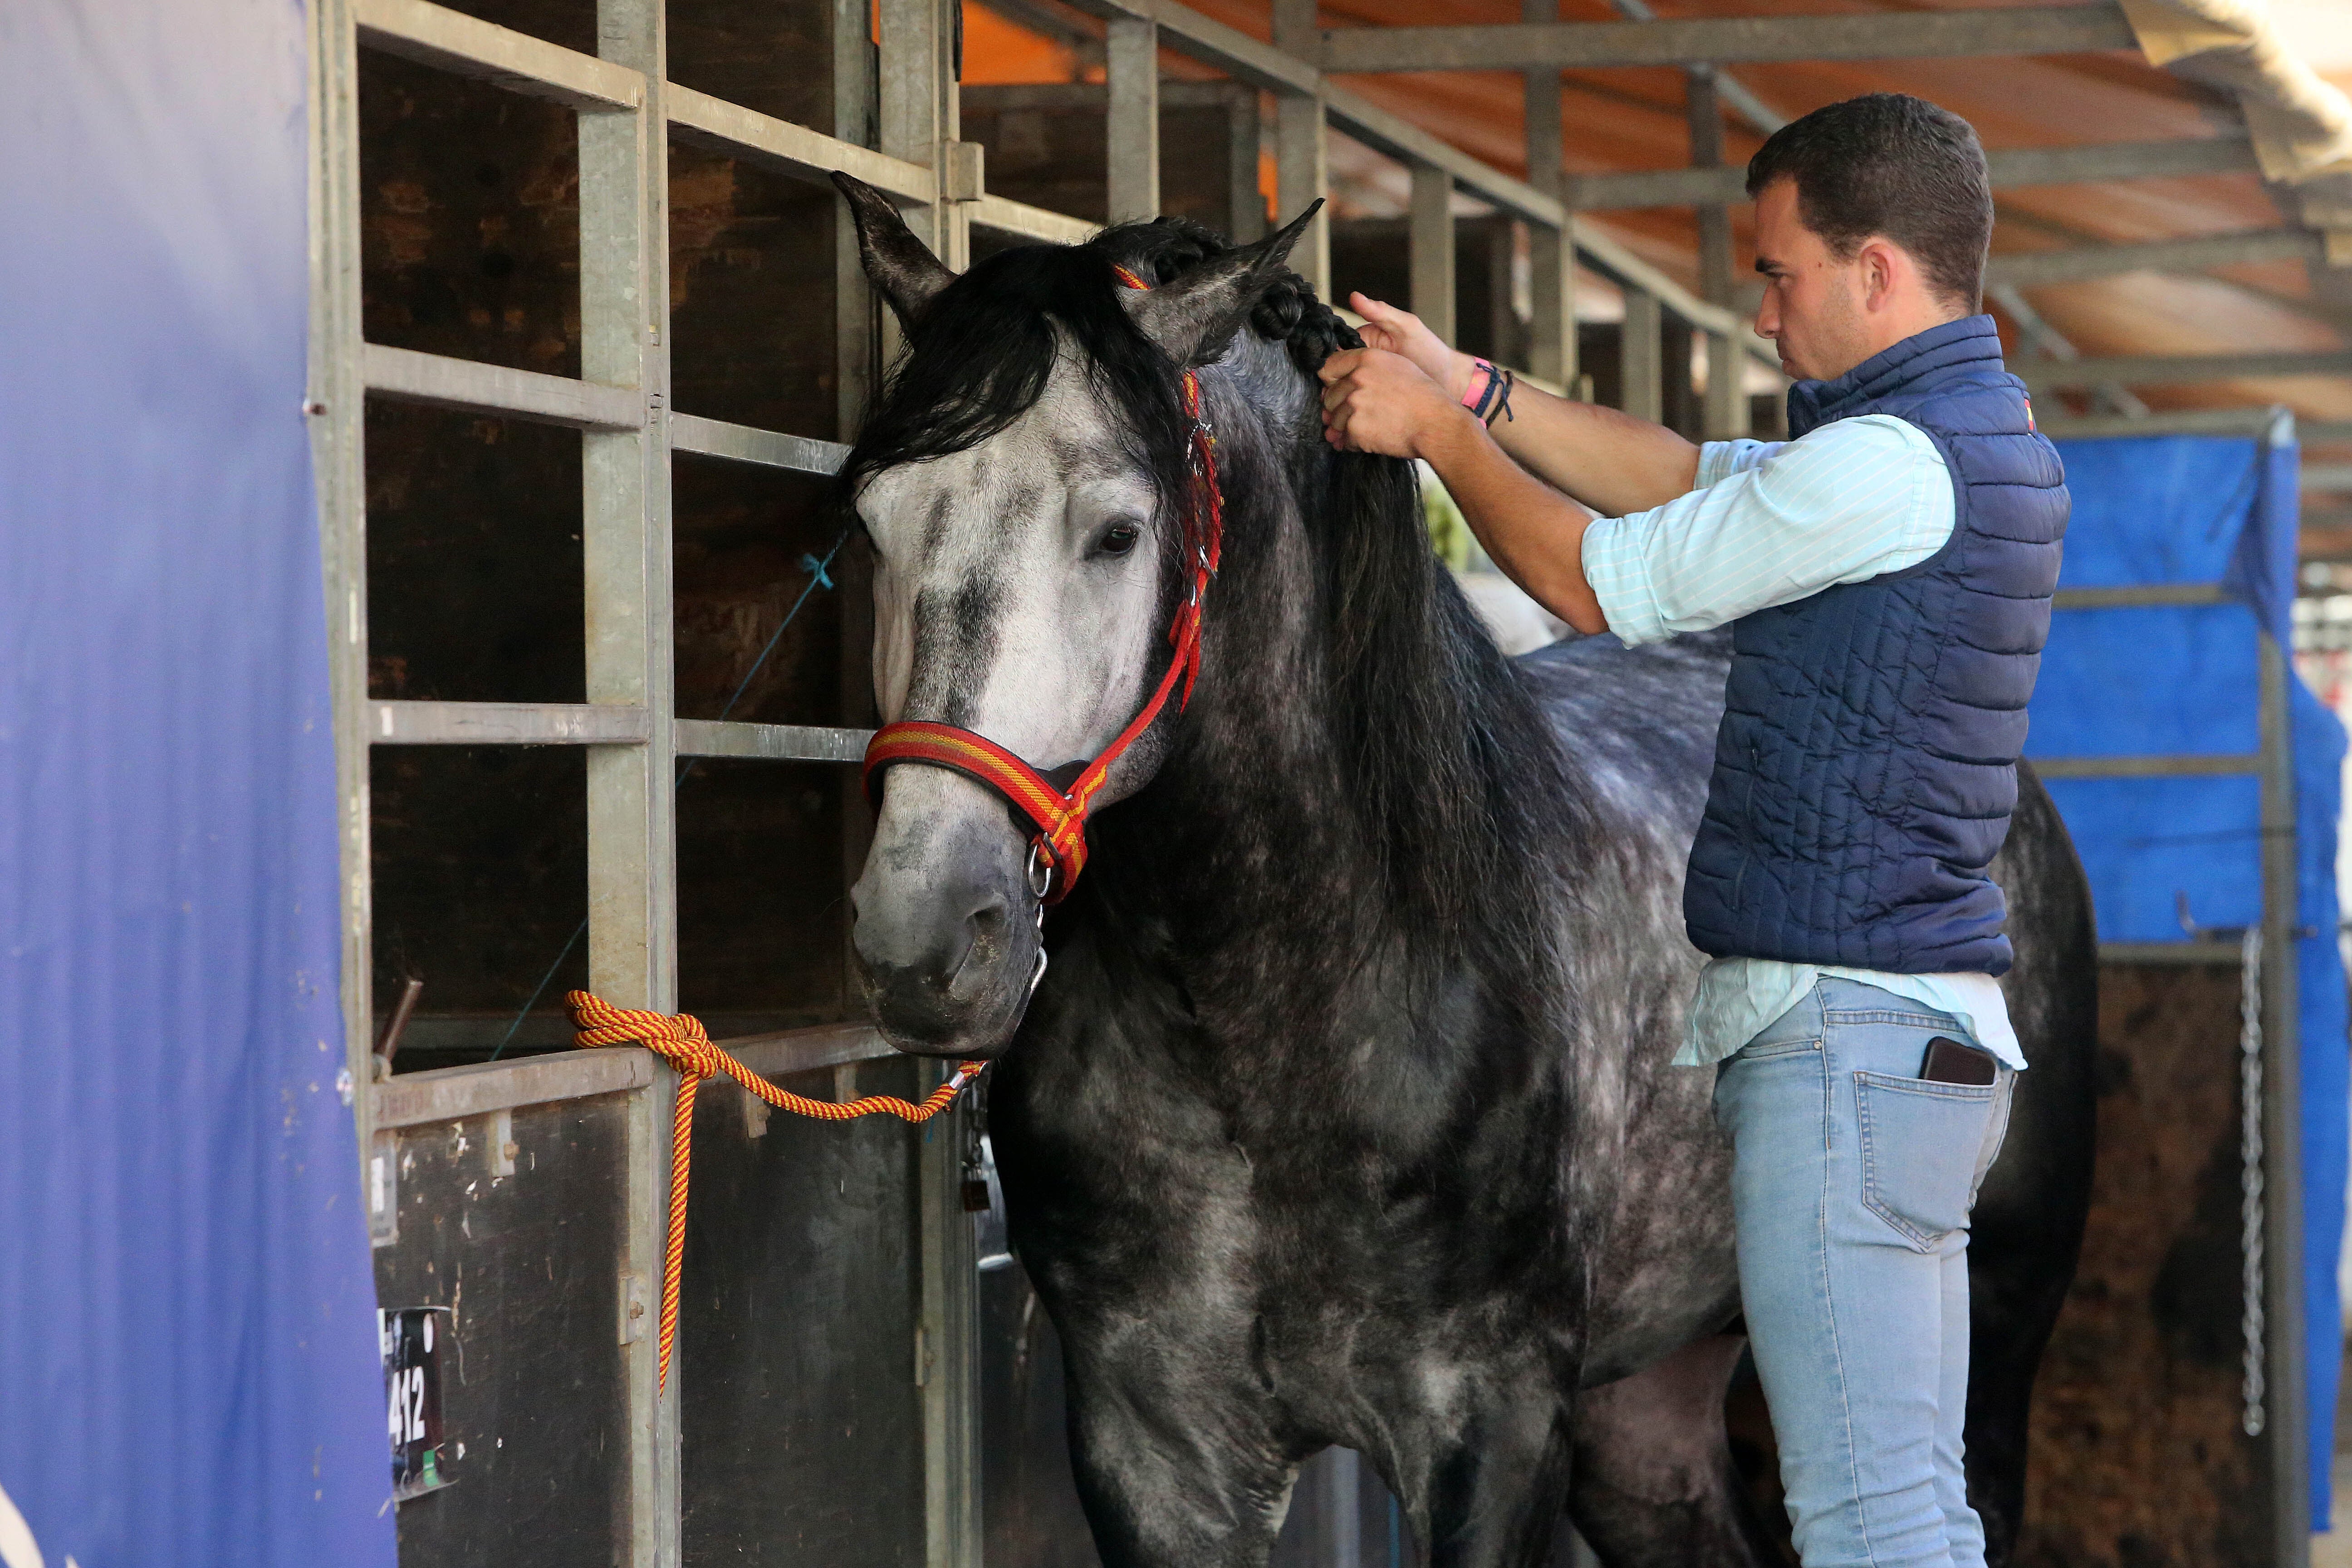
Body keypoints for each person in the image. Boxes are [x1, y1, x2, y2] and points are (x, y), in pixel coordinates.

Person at [1318, 93, 2066, 1568]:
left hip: (1849, 1040)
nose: (1764, 309)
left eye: (1780, 274)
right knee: (1901, 1498)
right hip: (1898, 1039)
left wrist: (1432, 448)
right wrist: (1471, 389)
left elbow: (1599, 585)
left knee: (1873, 1518)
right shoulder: (1940, 443)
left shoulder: (1891, 468)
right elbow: (1672, 475)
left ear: (1877, 272)